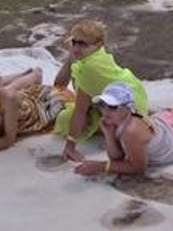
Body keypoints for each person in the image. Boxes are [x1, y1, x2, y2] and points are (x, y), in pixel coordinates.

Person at [52, 20, 148, 162]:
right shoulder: (94, 56)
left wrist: (70, 147)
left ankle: (117, 129)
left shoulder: (89, 68)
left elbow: (80, 110)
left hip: (127, 105)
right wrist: (72, 57)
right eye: (74, 42)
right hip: (133, 94)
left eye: (83, 44)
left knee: (66, 119)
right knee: (72, 115)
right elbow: (59, 84)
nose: (77, 48)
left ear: (98, 44)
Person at [0, 60, 73, 162]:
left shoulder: (8, 98)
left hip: (41, 107)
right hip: (20, 97)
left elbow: (9, 139)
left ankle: (44, 71)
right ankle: (31, 75)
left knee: (59, 90)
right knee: (12, 90)